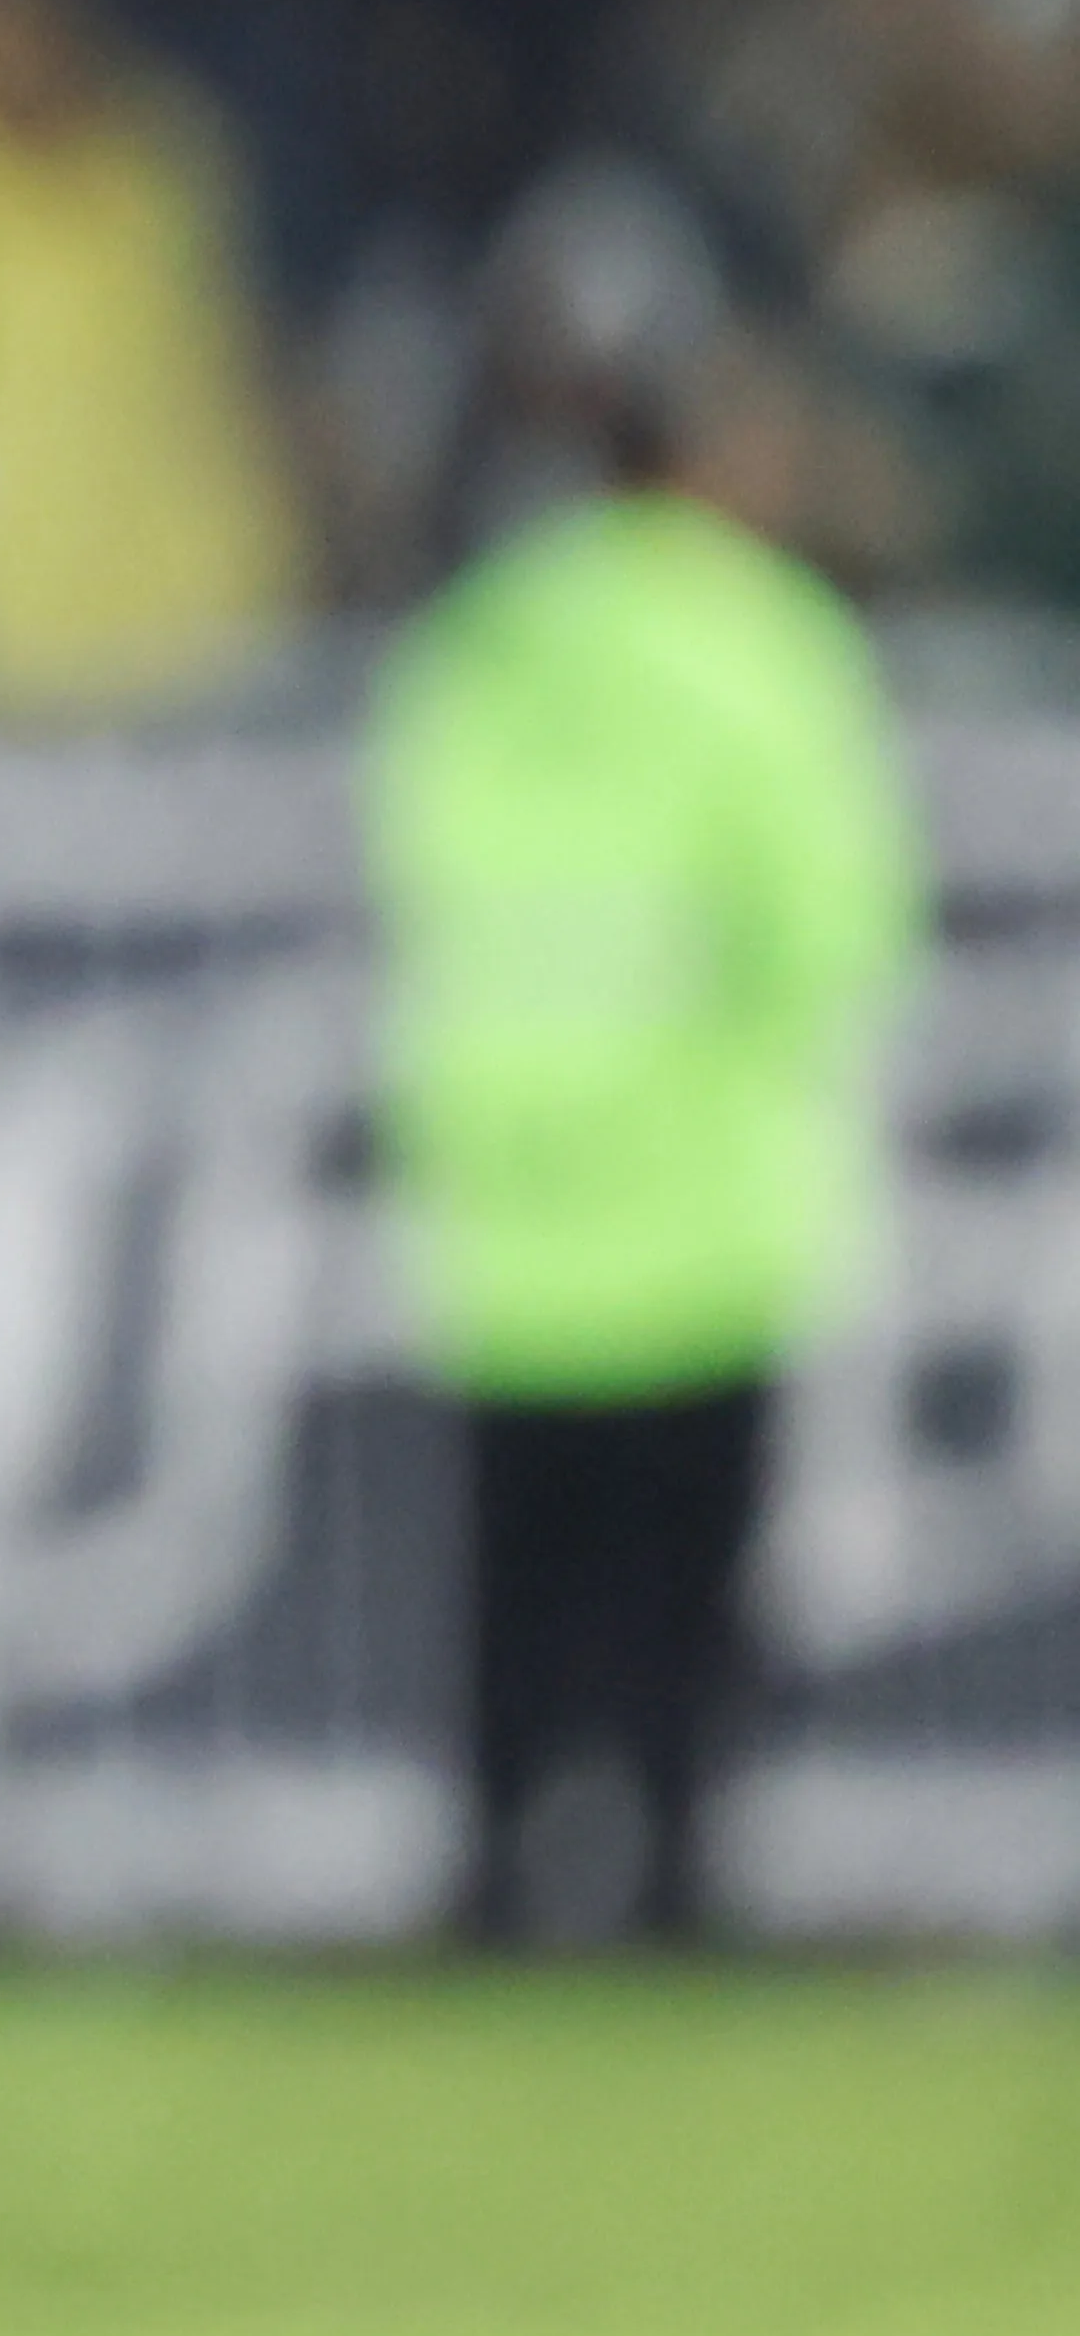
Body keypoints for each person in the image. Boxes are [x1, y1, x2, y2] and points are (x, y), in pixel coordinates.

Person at [364, 231, 920, 1948]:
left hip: (512, 1215)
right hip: (701, 1211)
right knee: (685, 1603)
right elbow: (841, 928)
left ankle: (495, 1889)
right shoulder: (762, 643)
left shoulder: (475, 645)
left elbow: (416, 877)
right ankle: (674, 1889)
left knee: (516, 1599)